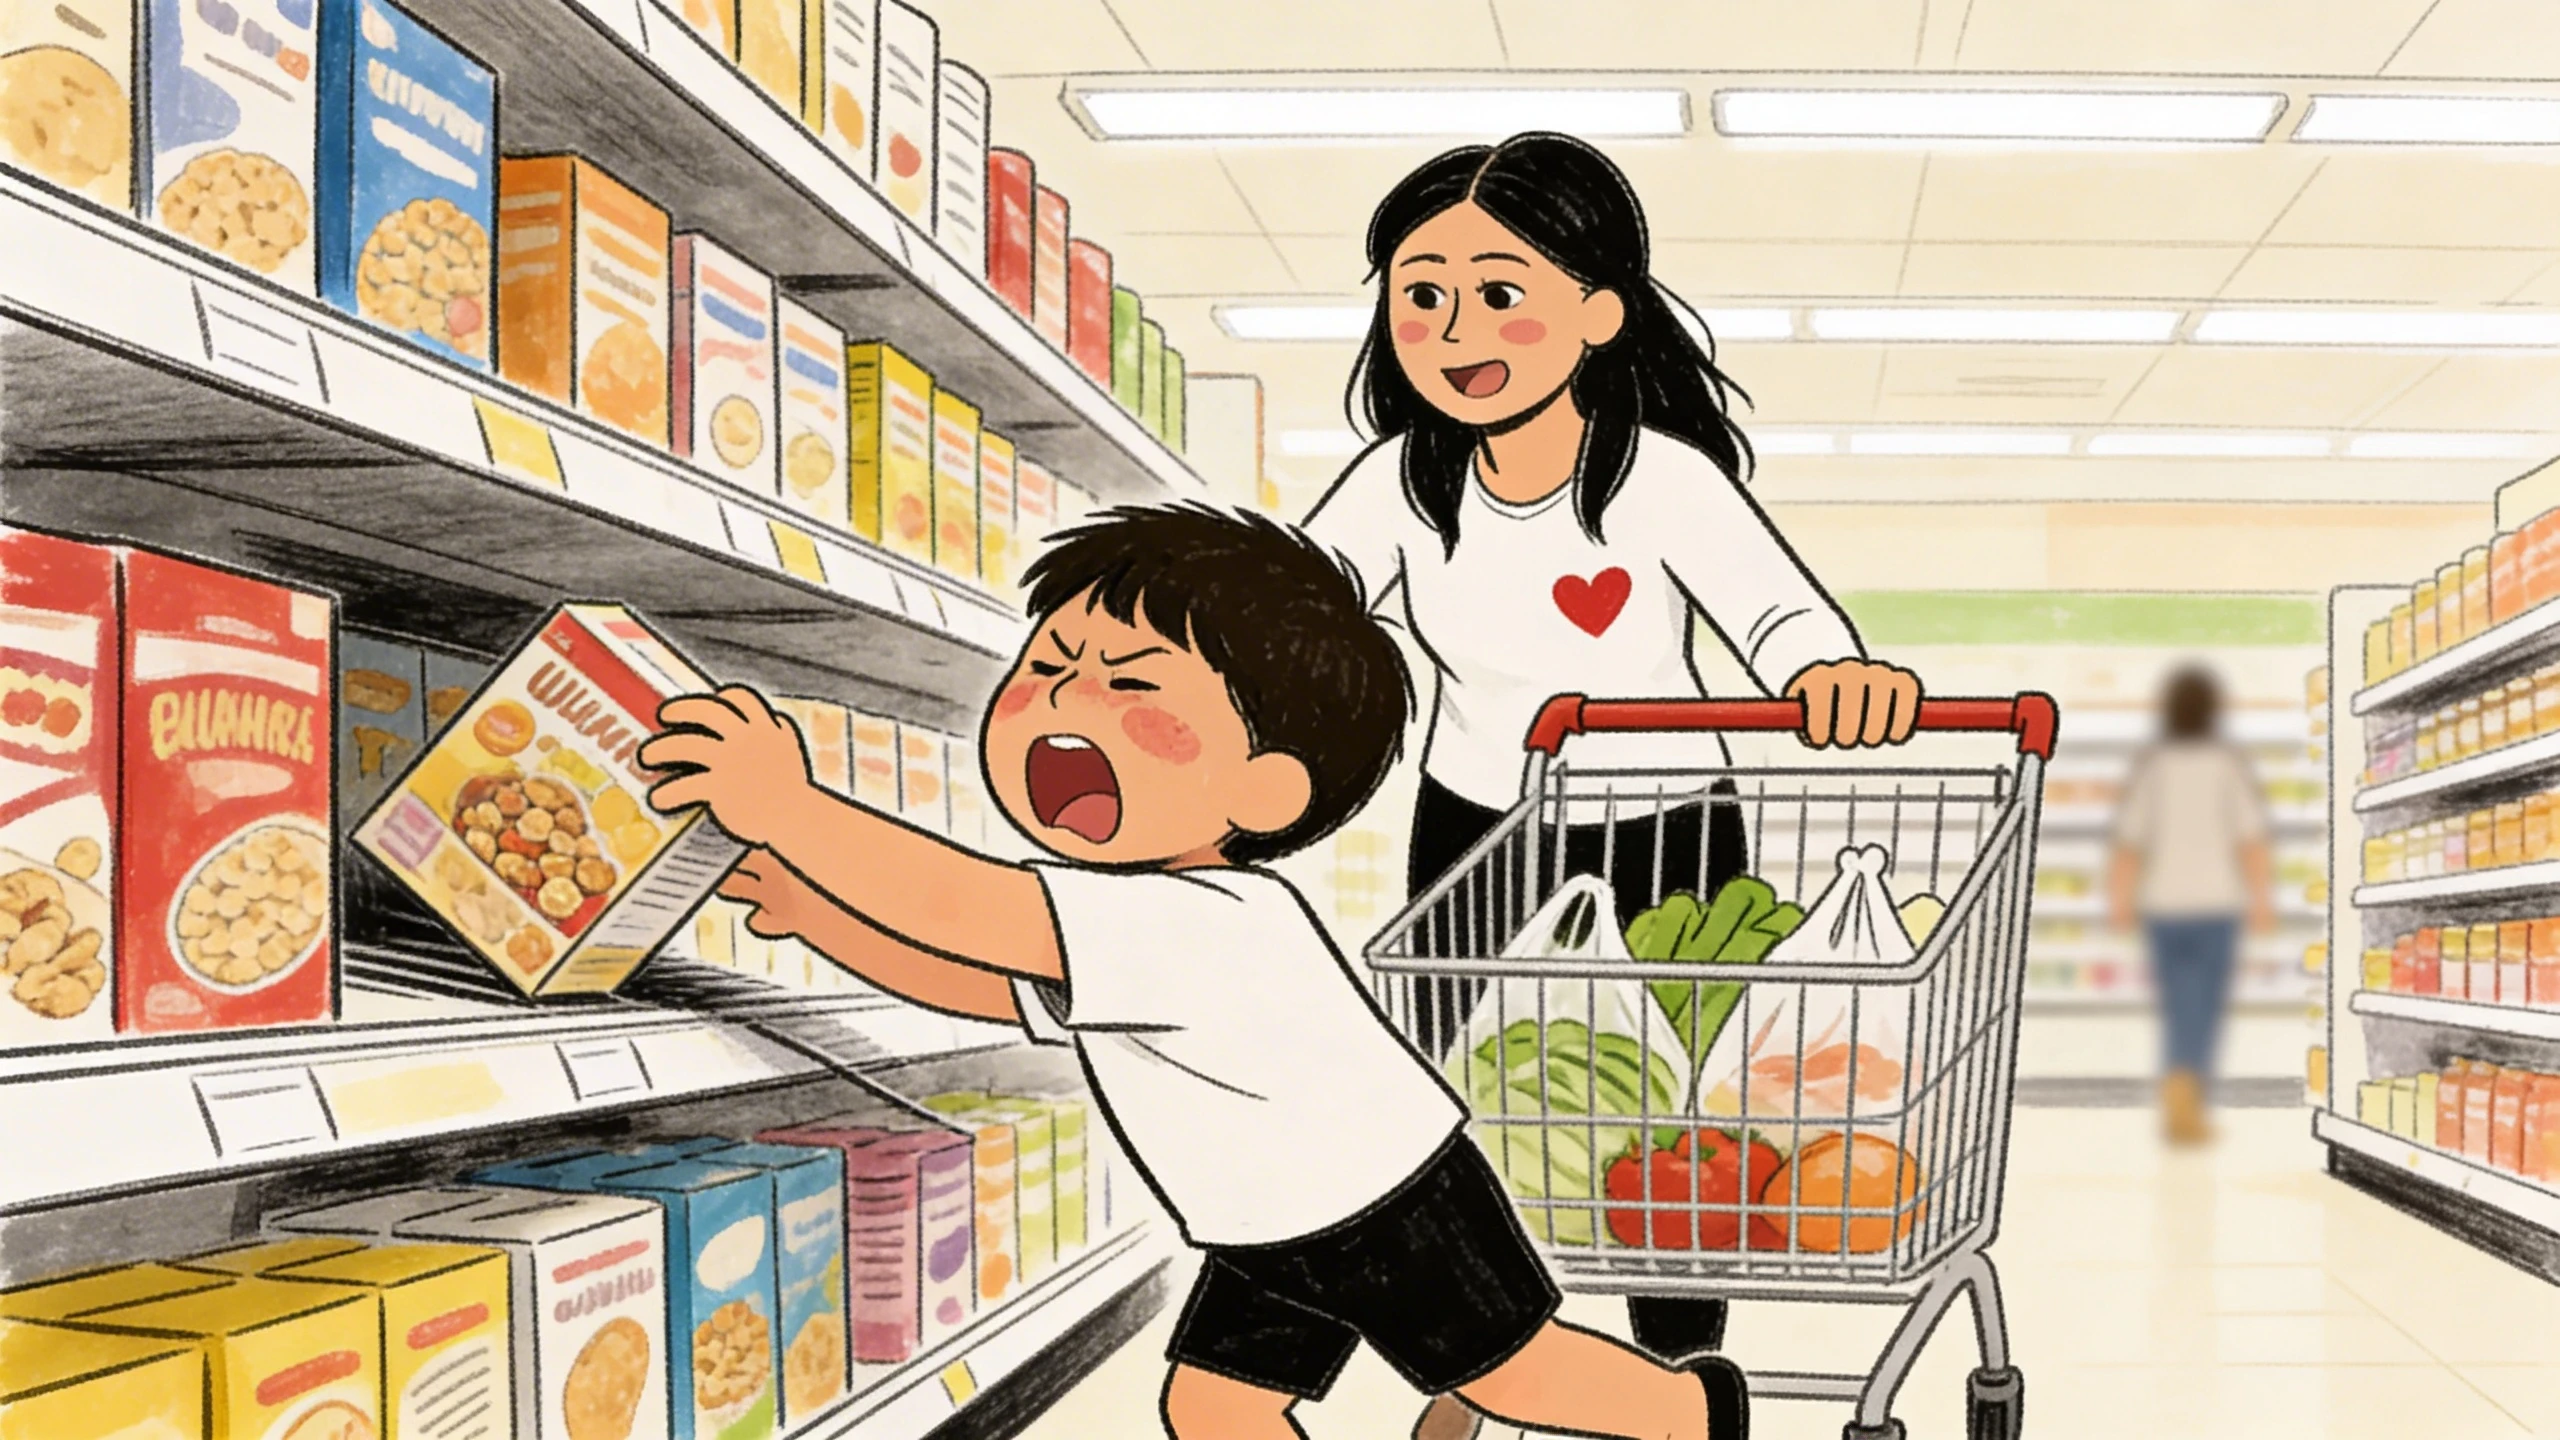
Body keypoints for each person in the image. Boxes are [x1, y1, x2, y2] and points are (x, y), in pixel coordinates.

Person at [640, 503, 1750, 1440]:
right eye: (1046, 668)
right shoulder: (1119, 910)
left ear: (1264, 792)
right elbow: (986, 984)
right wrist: (819, 914)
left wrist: (792, 811)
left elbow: (971, 910)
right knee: (1213, 1408)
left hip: (1388, 1205)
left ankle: (1694, 1416)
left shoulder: (1194, 917)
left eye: (1131, 687)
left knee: (1519, 1378)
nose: (1066, 707)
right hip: (1266, 1217)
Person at [1300, 131, 1922, 1434]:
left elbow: (1781, 616)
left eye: (1498, 289)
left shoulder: (1656, 476)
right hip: (1479, 825)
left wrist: (1830, 676)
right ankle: (1484, 1350)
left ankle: (1681, 1357)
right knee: (1467, 1094)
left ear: (1597, 310)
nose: (1455, 324)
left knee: (1674, 1098)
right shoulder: (1402, 487)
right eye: (1422, 293)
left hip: (1669, 829)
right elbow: (1301, 613)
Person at [2108, 665, 2276, 1146]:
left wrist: (2120, 900)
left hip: (2163, 904)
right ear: (2211, 711)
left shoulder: (2154, 765)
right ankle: (2187, 1101)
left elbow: (2128, 843)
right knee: (2202, 1006)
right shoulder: (2226, 764)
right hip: (2217, 903)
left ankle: (2179, 1096)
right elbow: (2252, 841)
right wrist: (2261, 900)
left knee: (2178, 1002)